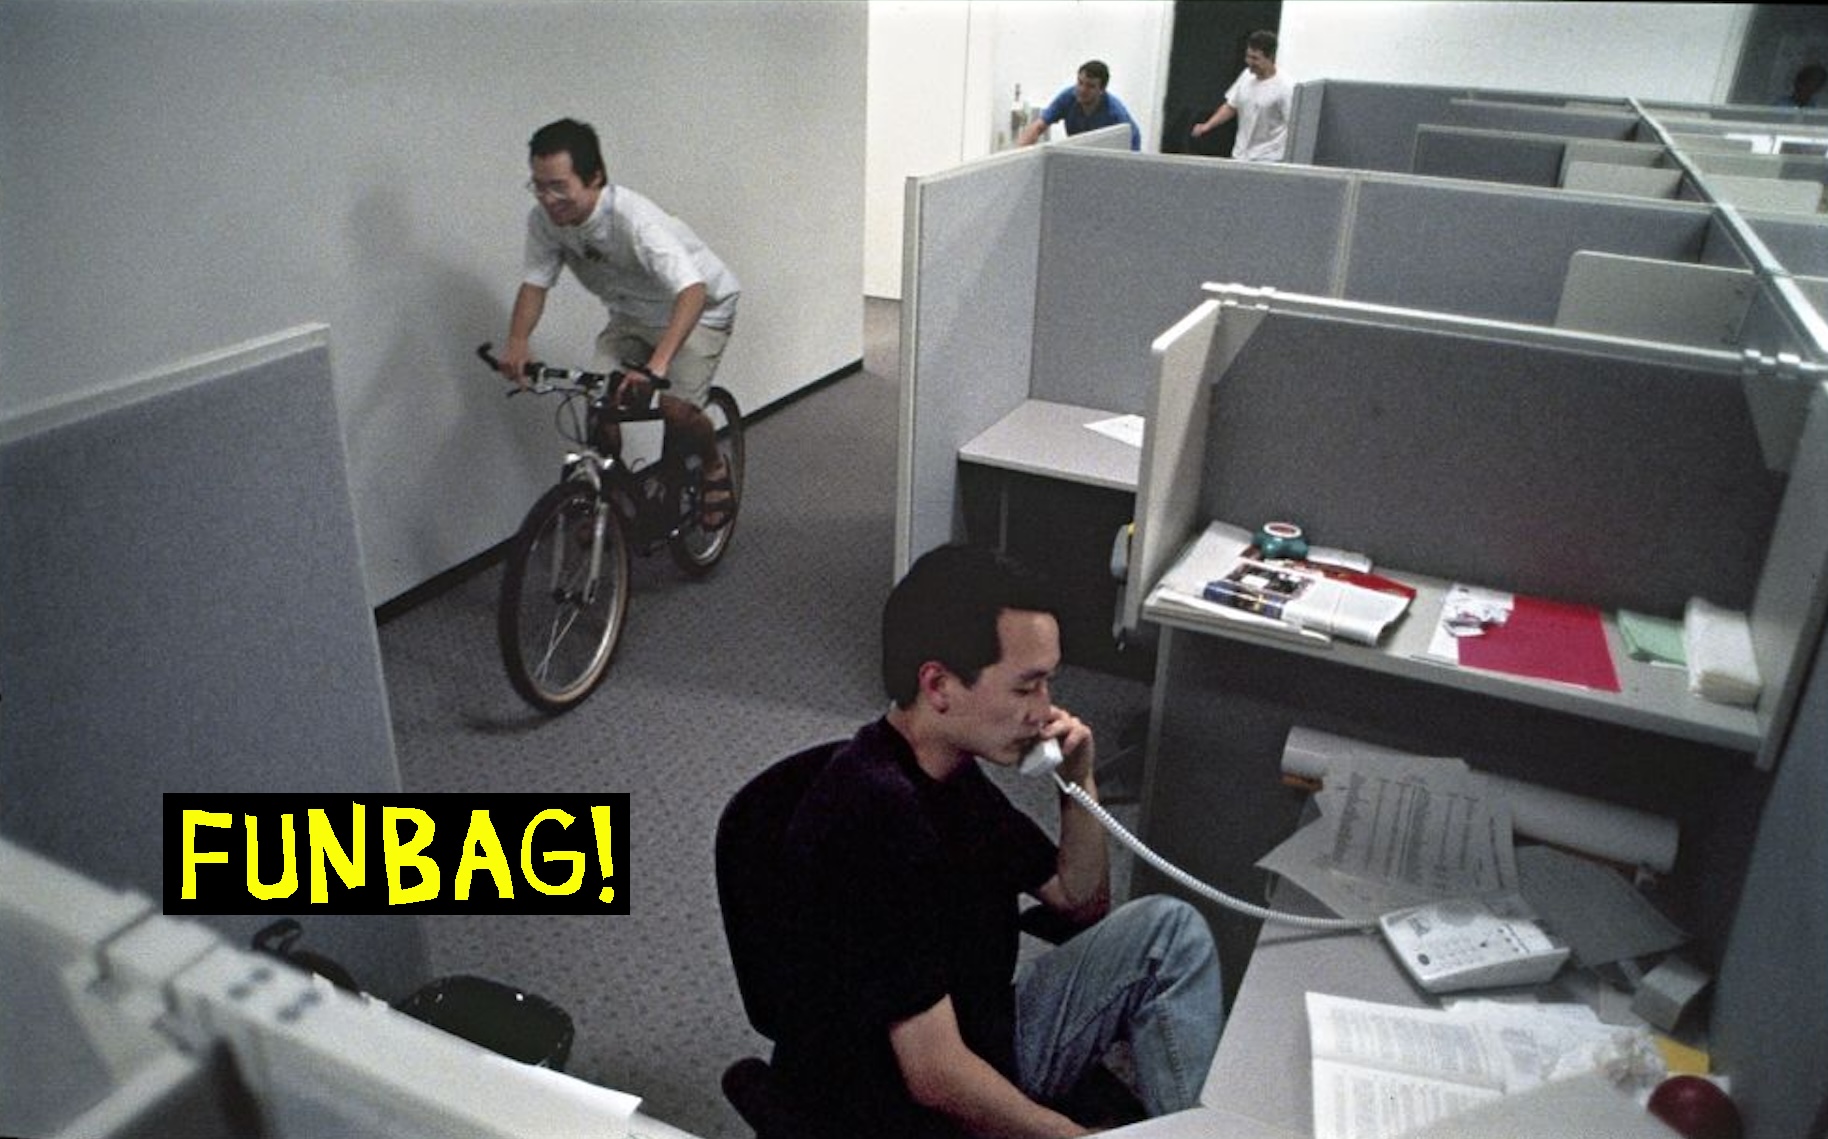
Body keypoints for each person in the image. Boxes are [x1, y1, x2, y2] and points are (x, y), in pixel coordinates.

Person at [776, 544, 1223, 1138]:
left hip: (979, 1022)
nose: (1046, 712)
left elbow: (1079, 901)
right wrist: (1073, 1136)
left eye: (1048, 684)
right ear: (938, 686)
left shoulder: (950, 771)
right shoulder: (877, 817)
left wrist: (1077, 784)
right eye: (1025, 688)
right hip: (894, 1096)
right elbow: (933, 1074)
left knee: (1169, 930)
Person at [499, 118, 740, 530]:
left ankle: (715, 464)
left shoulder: (634, 221)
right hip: (631, 317)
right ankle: (606, 496)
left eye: (559, 186)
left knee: (676, 410)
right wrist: (518, 341)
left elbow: (693, 292)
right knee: (599, 403)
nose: (548, 198)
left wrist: (657, 366)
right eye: (538, 186)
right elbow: (536, 283)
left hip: (700, 310)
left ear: (594, 179)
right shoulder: (544, 222)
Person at [1190, 30, 1292, 162]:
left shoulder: (1286, 87)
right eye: (1248, 56)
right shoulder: (1246, 75)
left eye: (1255, 58)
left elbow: (1293, 126)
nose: (1249, 62)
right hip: (1240, 155)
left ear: (1270, 57)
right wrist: (1207, 126)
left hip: (1268, 158)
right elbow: (1232, 105)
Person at [1018, 60, 1143, 151]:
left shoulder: (1115, 114)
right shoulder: (1068, 97)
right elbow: (1038, 126)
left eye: (1090, 86)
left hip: (1112, 153)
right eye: (1080, 82)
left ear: (1102, 90)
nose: (1082, 90)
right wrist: (1019, 157)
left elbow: (1128, 155)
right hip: (1079, 151)